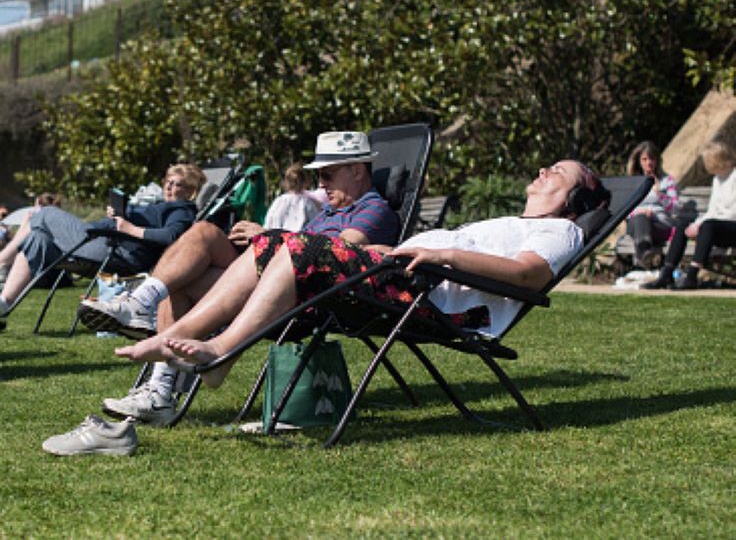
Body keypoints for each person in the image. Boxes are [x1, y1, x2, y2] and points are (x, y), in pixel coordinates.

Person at [109, 160, 607, 399]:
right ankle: (194, 345)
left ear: (576, 198)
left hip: (430, 300)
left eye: (557, 171)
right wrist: (394, 251)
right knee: (269, 245)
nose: (544, 170)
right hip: (404, 272)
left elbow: (527, 273)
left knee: (296, 247)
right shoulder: (510, 223)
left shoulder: (559, 230)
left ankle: (219, 350)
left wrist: (442, 252)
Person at [76, 130, 400, 424]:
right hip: (271, 280)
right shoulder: (328, 213)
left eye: (327, 175)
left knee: (192, 275)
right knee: (202, 236)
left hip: (305, 296)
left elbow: (334, 253)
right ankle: (143, 304)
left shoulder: (373, 209)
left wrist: (270, 235)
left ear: (357, 170)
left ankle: (159, 386)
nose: (321, 185)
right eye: (318, 177)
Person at [0, 164, 206, 320]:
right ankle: (3, 302)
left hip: (115, 253)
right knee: (38, 237)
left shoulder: (182, 209)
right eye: (169, 182)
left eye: (179, 185)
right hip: (104, 243)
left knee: (45, 213)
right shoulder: (160, 205)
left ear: (191, 191)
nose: (171, 187)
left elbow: (173, 237)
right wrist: (120, 215)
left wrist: (130, 228)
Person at [642, 140, 736, 290]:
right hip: (715, 227)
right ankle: (666, 273)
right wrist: (696, 224)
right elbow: (712, 210)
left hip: (731, 227)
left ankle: (692, 275)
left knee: (707, 225)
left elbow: (733, 213)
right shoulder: (718, 179)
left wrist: (703, 225)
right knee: (683, 226)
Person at [624, 141, 679, 269]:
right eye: (644, 159)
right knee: (640, 219)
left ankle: (642, 262)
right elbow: (625, 210)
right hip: (637, 223)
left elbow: (675, 209)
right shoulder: (633, 182)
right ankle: (646, 256)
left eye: (652, 159)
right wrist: (639, 212)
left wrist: (660, 194)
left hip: (660, 225)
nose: (648, 162)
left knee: (642, 222)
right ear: (639, 161)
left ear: (657, 160)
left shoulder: (667, 181)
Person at [263, 163, 323, 231]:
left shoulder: (278, 201)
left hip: (277, 238)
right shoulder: (307, 203)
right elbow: (317, 225)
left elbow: (268, 223)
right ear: (305, 182)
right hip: (298, 240)